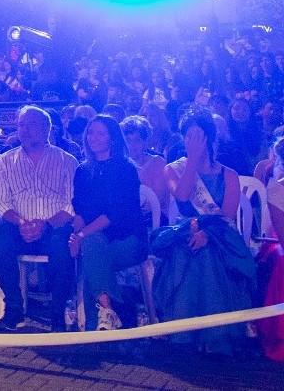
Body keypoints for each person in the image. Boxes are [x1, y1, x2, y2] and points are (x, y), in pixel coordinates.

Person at [153, 111, 255, 354]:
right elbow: (182, 196)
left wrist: (208, 235)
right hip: (185, 231)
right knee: (185, 250)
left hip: (220, 235)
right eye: (187, 136)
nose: (192, 141)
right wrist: (192, 160)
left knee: (208, 252)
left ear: (209, 137)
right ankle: (185, 333)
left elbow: (227, 216)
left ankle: (217, 335)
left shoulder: (228, 175)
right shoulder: (173, 169)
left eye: (197, 136)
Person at [0, 106, 78, 332]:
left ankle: (57, 311)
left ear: (47, 129)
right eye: (21, 125)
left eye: (32, 125)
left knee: (62, 244)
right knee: (0, 241)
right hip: (18, 226)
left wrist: (46, 224)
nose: (25, 130)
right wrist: (21, 223)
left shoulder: (67, 161)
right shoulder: (5, 161)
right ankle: (14, 308)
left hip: (54, 226)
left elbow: (72, 203)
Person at [71, 115, 148, 330]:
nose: (94, 137)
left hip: (128, 238)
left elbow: (114, 214)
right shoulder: (82, 171)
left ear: (112, 138)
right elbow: (79, 210)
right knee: (91, 248)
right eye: (91, 132)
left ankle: (98, 321)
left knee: (92, 256)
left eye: (101, 133)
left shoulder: (126, 169)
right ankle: (107, 313)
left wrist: (81, 236)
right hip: (94, 238)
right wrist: (75, 236)